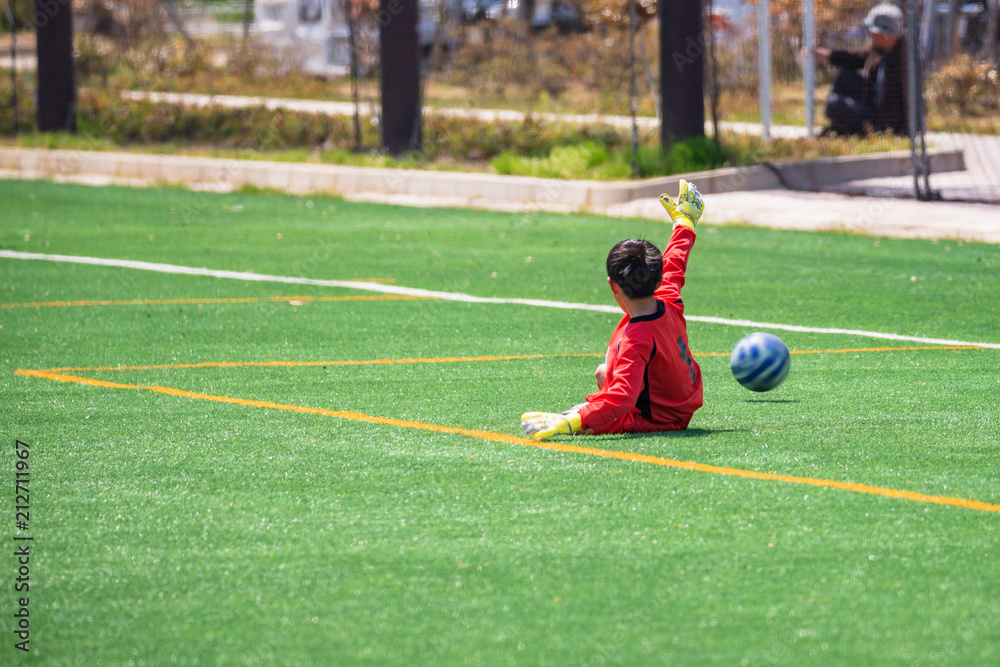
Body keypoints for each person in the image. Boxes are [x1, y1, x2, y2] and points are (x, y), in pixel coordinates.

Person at [520, 181, 705, 441]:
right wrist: (684, 222)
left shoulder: (637, 340)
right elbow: (675, 261)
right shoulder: (668, 298)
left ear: (613, 285)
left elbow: (623, 398)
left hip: (661, 418)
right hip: (682, 399)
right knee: (603, 372)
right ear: (658, 280)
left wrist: (571, 422)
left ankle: (579, 415)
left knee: (583, 420)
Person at [808, 4, 909, 136]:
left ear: (886, 34)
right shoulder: (878, 50)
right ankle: (838, 127)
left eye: (873, 31)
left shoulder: (906, 59)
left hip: (882, 120)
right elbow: (855, 57)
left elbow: (909, 101)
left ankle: (842, 128)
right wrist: (828, 56)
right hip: (869, 107)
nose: (869, 34)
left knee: (835, 105)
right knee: (846, 76)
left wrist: (900, 130)